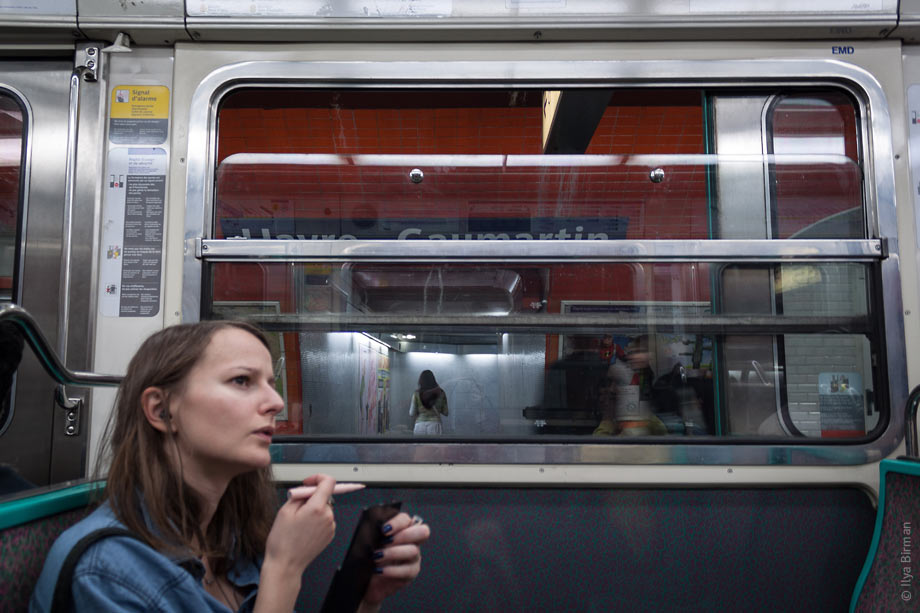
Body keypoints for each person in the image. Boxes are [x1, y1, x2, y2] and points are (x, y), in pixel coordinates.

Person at [30, 320, 429, 612]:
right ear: (161, 409)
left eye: (271, 383)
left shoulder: (232, 542)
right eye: (242, 381)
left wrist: (363, 596)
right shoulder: (107, 573)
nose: (275, 402)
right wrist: (285, 568)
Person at [408, 370, 448, 435]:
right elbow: (446, 412)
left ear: (420, 381)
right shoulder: (441, 393)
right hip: (435, 425)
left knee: (419, 445)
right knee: (435, 445)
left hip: (419, 426)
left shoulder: (416, 394)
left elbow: (412, 413)